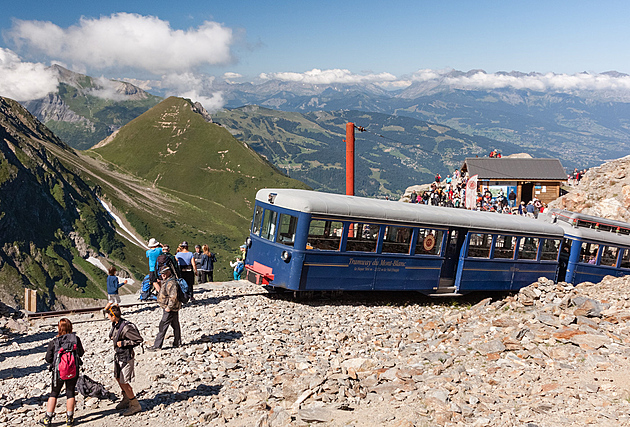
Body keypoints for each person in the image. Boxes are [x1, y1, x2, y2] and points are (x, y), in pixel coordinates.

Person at [39, 318, 85, 427]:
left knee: (54, 393)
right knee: (70, 392)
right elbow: (81, 353)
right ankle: (70, 419)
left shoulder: (54, 342)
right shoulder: (75, 339)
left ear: (59, 328)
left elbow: (48, 359)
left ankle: (48, 418)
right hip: (73, 370)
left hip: (58, 372)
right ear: (70, 327)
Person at [104, 303, 143, 416]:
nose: (108, 317)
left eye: (109, 316)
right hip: (119, 355)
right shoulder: (115, 324)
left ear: (114, 316)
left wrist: (124, 343)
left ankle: (135, 405)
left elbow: (138, 340)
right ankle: (126, 398)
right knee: (117, 377)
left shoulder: (126, 328)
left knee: (124, 381)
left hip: (126, 356)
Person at [149, 266, 182, 351]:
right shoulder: (168, 281)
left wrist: (169, 307)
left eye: (164, 273)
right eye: (161, 273)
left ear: (169, 272)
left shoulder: (171, 283)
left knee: (163, 325)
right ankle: (177, 342)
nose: (162, 275)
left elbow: (173, 296)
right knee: (175, 325)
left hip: (169, 308)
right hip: (173, 307)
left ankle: (157, 346)